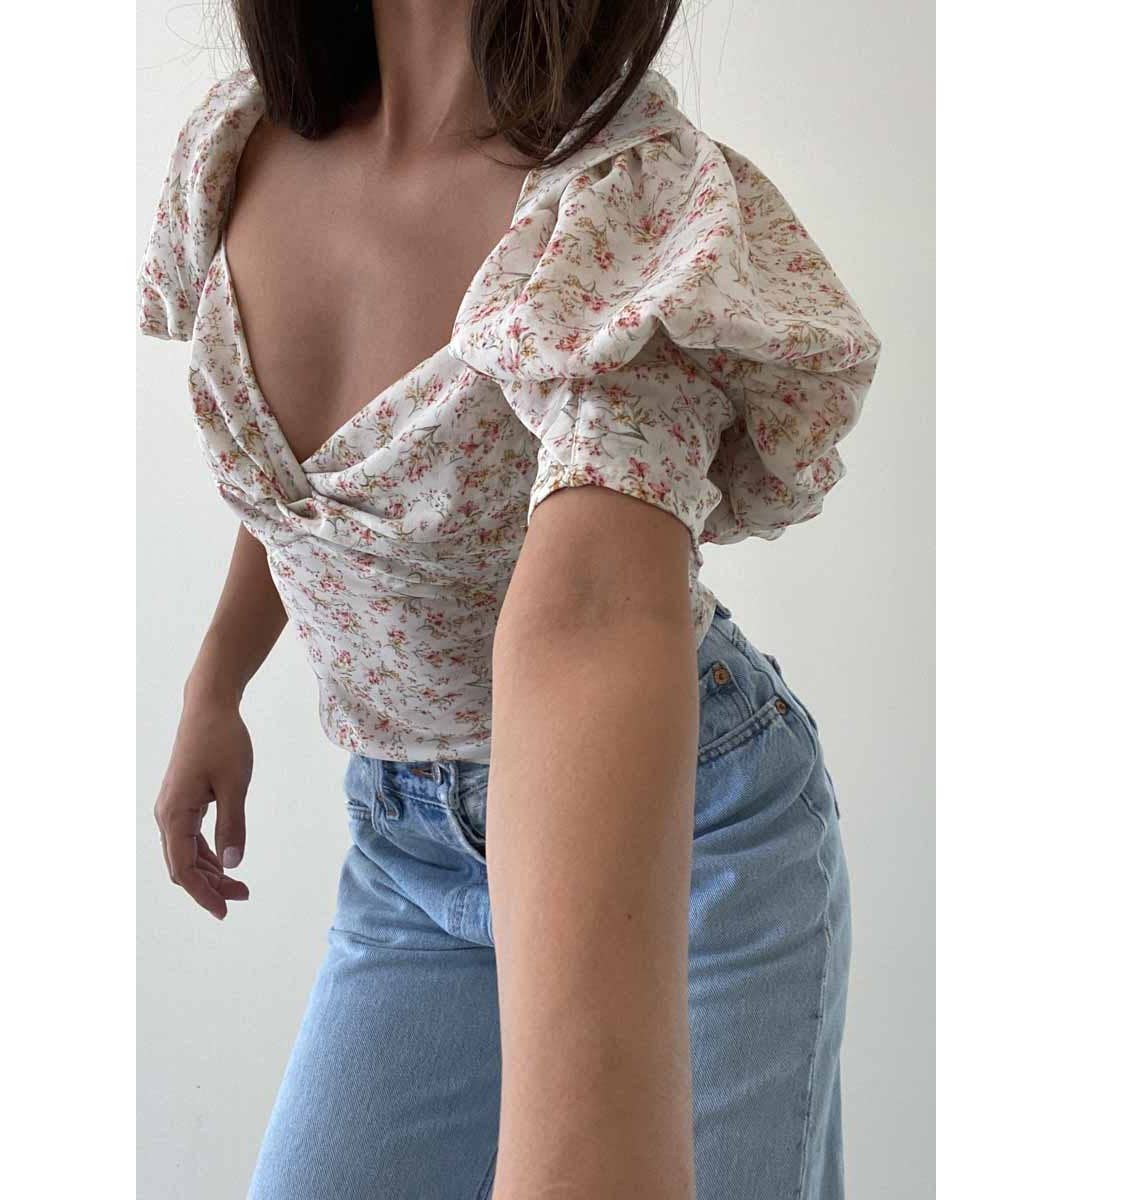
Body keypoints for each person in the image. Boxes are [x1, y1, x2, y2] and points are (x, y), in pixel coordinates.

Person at [138, 2, 881, 1196]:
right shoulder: (241, 151)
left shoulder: (621, 206)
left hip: (682, 830)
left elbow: (597, 609)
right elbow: (308, 493)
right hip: (408, 844)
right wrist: (214, 683)